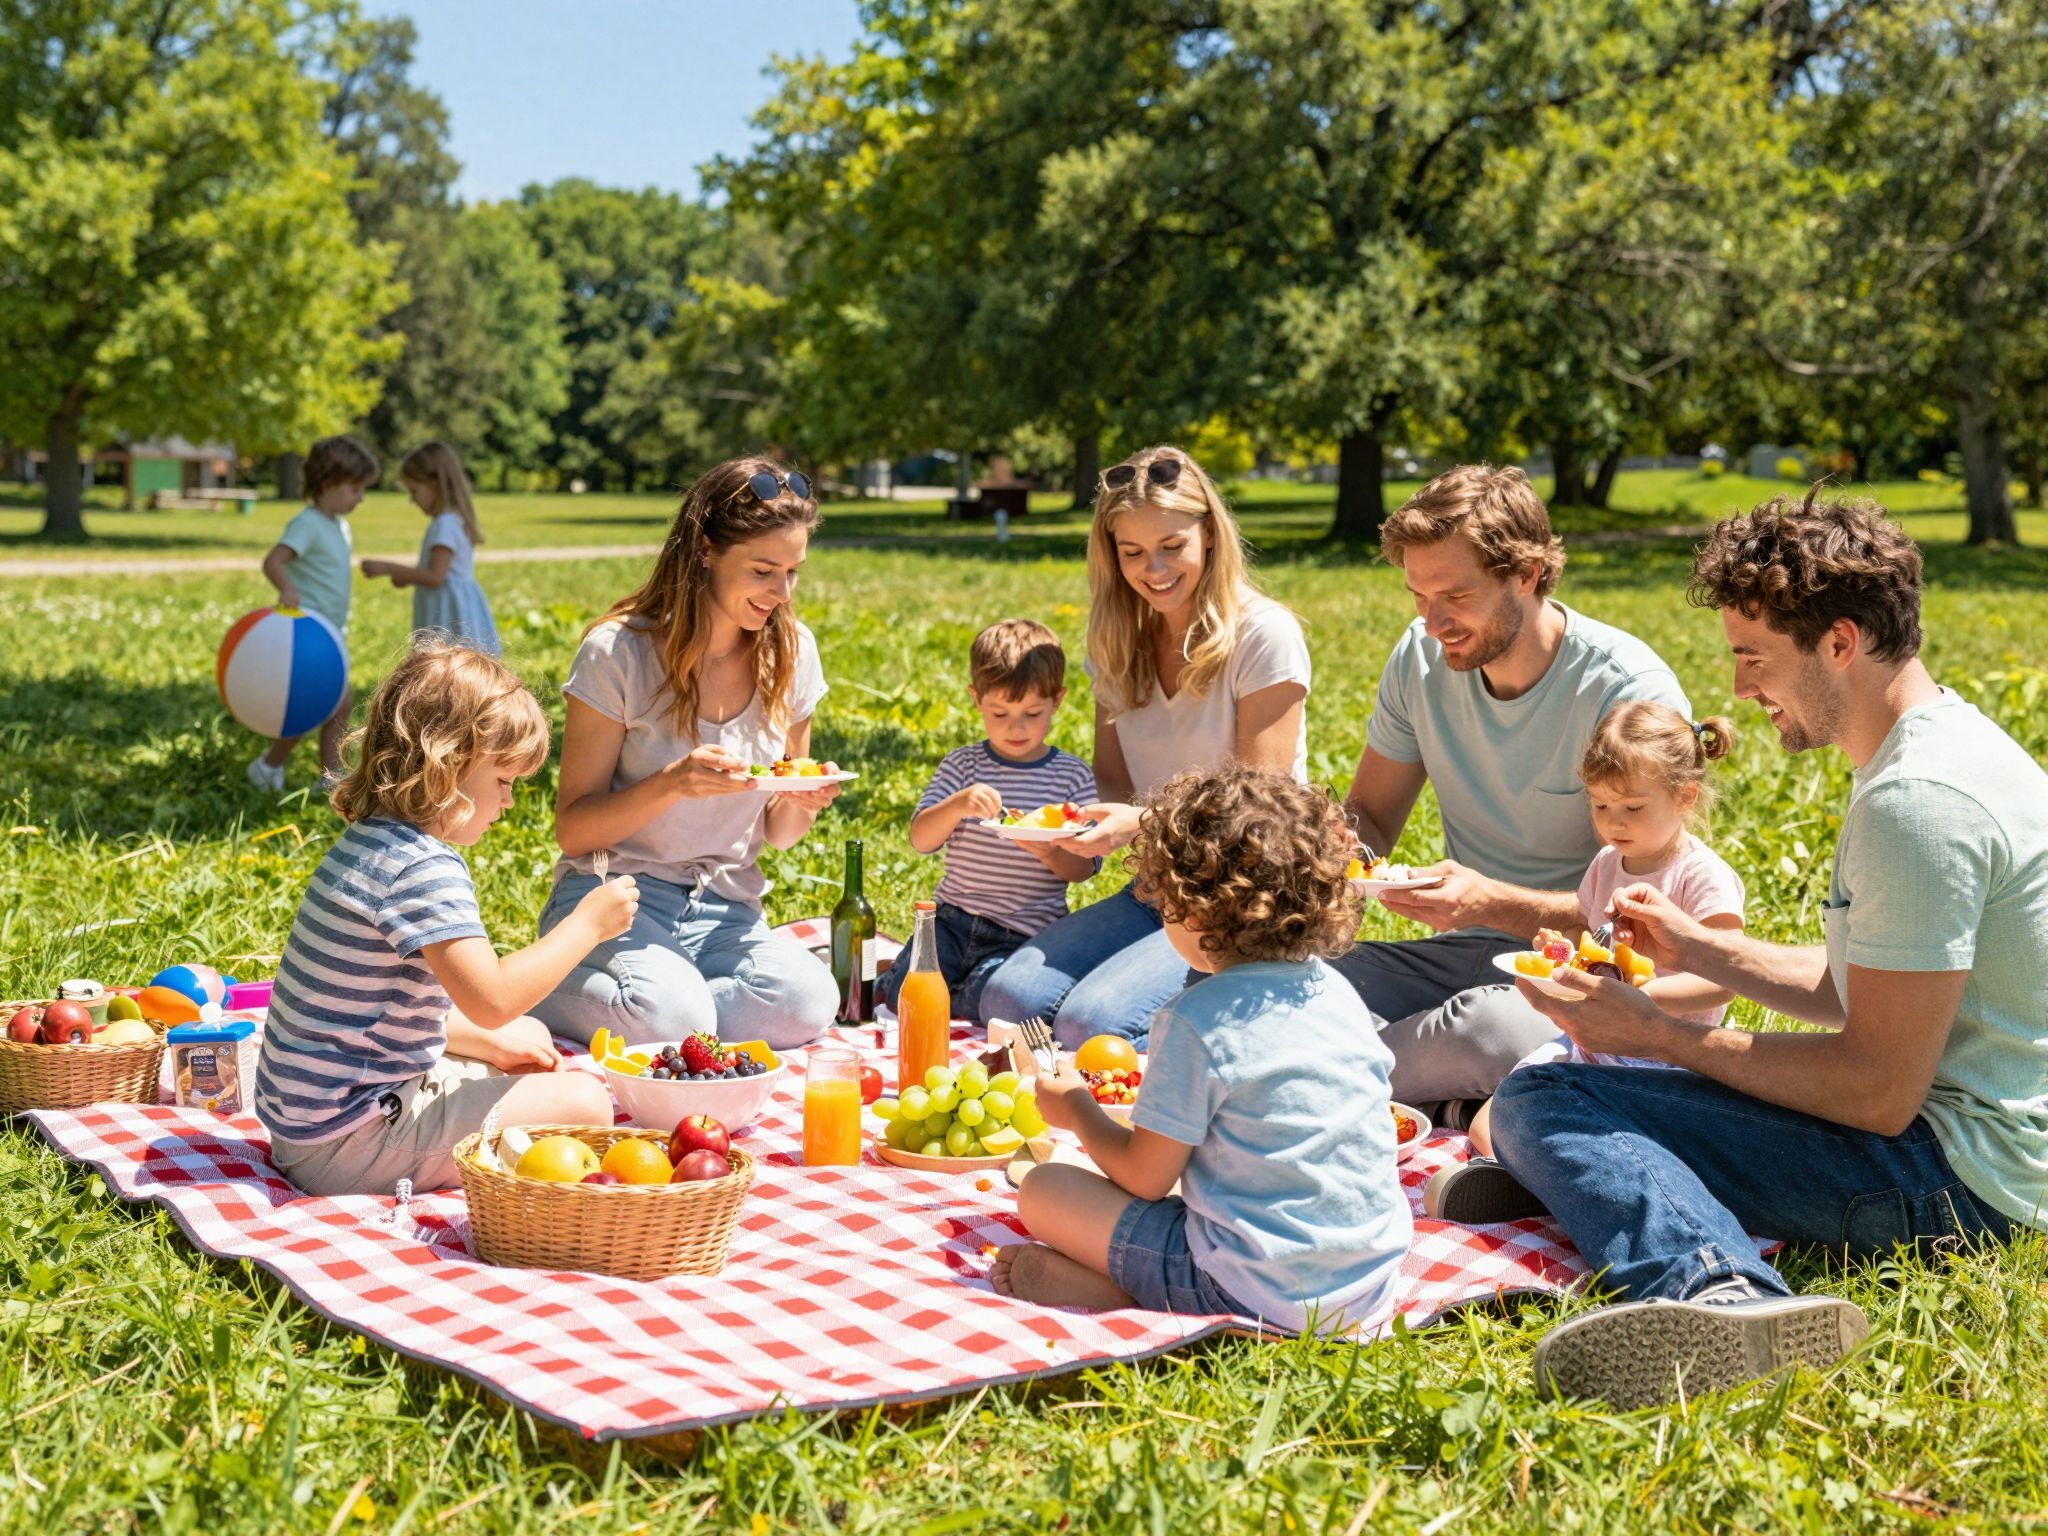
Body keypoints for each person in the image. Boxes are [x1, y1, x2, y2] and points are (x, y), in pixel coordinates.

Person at [1488, 488, 2048, 1409]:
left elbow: (1875, 1088)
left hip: (1953, 1182)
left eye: (1754, 659)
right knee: (1563, 1099)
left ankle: (1721, 1293)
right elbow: (1852, 988)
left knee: (1549, 1095)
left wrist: (1658, 1037)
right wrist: (1697, 948)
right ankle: (1620, 1173)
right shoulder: (1940, 746)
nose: (1741, 691)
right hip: (1983, 1151)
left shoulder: (1917, 805)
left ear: (1840, 642)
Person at [994, 765, 1412, 1334]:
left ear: (1188, 909)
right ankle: (1134, 1288)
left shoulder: (1197, 1020)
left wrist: (1078, 1111)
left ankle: (1130, 1293)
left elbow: (1143, 1178)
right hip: (1365, 1287)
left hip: (1254, 1285)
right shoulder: (1336, 990)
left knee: (1045, 1189)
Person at [1331, 464, 1690, 1113]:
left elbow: (1656, 918)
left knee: (1483, 1033)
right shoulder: (1419, 660)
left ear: (1527, 574)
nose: (1433, 623)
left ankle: (1305, 1081)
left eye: (1455, 596)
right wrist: (1337, 845)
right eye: (1418, 596)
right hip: (1461, 954)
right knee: (1287, 981)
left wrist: (1490, 902)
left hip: (1591, 974)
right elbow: (1371, 817)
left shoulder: (1625, 694)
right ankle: (1454, 1099)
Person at [254, 641, 630, 1197]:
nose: (508, 803)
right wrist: (587, 924)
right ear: (448, 763)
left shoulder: (371, 841)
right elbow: (492, 998)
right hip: (351, 1143)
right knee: (586, 1102)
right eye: (503, 781)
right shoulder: (422, 867)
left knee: (526, 1037)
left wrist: (490, 1044)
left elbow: (383, 1011)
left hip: (309, 1122)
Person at [978, 446, 1311, 1045]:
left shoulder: (1263, 635)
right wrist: (1069, 831)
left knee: (1092, 1025)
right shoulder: (1118, 643)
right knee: (1007, 997)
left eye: (1171, 546)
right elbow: (1112, 780)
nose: (1153, 569)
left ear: (1209, 535)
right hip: (1157, 889)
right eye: (1131, 552)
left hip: (1243, 898)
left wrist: (1138, 823)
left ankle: (1269, 1016)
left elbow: (1260, 809)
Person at [532, 457, 842, 1050]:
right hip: (615, 894)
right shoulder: (618, 652)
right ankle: (544, 982)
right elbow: (573, 830)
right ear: (705, 551)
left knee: (807, 1003)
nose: (781, 593)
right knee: (671, 1018)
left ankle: (674, 1002)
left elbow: (780, 832)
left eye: (793, 572)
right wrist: (672, 783)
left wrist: (806, 798)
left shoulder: (793, 654)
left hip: (725, 904)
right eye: (763, 571)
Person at [1426, 701, 1747, 1220]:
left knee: (1611, 1135)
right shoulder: (1606, 865)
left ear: (1684, 796)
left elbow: (1726, 980)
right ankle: (1539, 1181)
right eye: (1600, 806)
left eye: (1632, 808)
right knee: (1493, 1121)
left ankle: (1556, 1182)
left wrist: (1641, 998)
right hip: (1595, 1038)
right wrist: (1562, 958)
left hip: (1664, 1057)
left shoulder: (1699, 877)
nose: (1613, 822)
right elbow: (1600, 947)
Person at [876, 619, 1097, 1020]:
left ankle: (954, 997)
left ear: (1058, 700)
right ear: (976, 699)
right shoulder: (963, 766)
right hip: (952, 920)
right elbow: (921, 839)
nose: (1017, 727)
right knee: (899, 998)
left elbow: (1084, 868)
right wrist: (956, 805)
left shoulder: (1072, 775)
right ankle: (919, 988)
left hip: (1024, 934)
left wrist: (1050, 852)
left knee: (998, 995)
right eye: (1000, 712)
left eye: (1033, 712)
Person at [248, 435, 379, 792]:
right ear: (327, 485)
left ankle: (325, 778)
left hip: (332, 633)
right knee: (320, 705)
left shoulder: (340, 525)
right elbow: (273, 561)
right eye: (354, 488)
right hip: (307, 635)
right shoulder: (307, 523)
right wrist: (287, 589)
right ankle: (286, 768)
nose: (361, 497)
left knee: (334, 706)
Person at [361, 441, 502, 656]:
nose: (412, 500)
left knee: (447, 663)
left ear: (435, 484)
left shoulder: (444, 523)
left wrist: (388, 568)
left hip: (448, 609)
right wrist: (409, 577)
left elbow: (436, 576)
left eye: (414, 491)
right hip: (450, 602)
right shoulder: (451, 520)